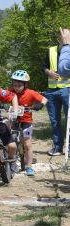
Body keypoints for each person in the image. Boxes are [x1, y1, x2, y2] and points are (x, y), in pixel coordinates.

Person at [9, 70, 47, 176]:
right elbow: (1, 97)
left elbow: (44, 99)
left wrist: (40, 105)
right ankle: (12, 164)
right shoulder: (11, 91)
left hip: (26, 121)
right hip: (14, 121)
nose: (16, 87)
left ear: (25, 84)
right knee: (13, 144)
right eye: (15, 85)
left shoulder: (30, 92)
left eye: (19, 85)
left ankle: (29, 166)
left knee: (27, 144)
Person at [43, 28, 70, 156]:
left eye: (64, 35)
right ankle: (58, 147)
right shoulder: (51, 50)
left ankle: (69, 149)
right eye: (61, 35)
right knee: (55, 121)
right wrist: (48, 72)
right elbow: (44, 66)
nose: (62, 37)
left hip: (67, 89)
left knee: (69, 119)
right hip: (52, 91)